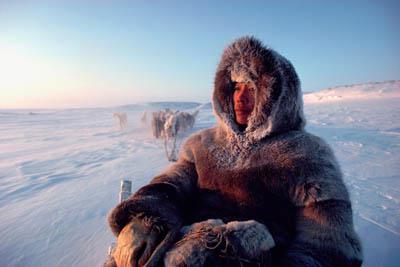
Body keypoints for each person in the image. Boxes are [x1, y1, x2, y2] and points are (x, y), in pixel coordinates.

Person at [106, 36, 363, 267]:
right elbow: (173, 183)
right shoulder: (202, 144)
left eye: (252, 88)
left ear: (278, 97)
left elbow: (330, 244)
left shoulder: (307, 154)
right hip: (180, 253)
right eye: (236, 87)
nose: (240, 97)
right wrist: (147, 217)